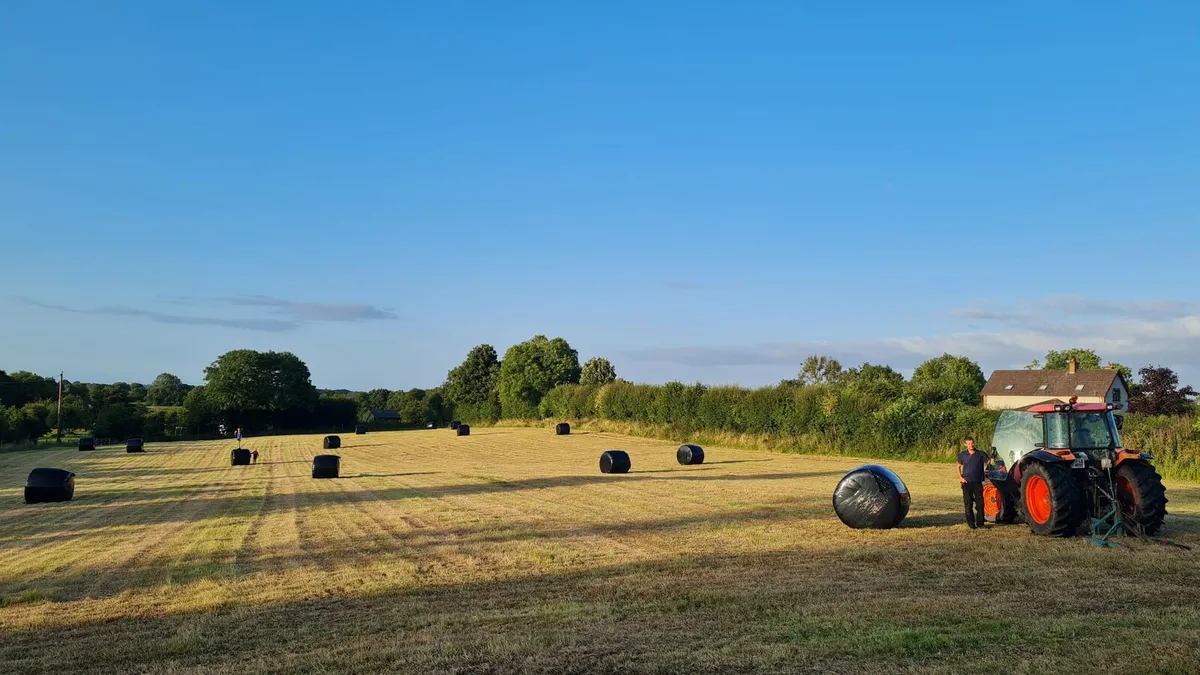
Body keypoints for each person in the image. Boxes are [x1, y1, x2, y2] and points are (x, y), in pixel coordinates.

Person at [958, 436, 990, 529]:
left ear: (974, 443)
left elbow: (989, 462)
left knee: (980, 504)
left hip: (977, 482)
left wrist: (995, 461)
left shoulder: (980, 454)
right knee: (968, 503)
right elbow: (958, 466)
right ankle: (971, 524)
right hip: (966, 483)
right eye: (968, 444)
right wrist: (960, 477)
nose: (971, 445)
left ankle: (980, 523)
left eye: (972, 443)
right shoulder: (962, 455)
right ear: (965, 445)